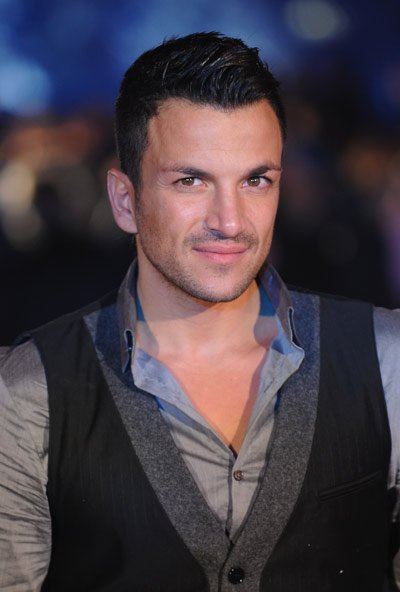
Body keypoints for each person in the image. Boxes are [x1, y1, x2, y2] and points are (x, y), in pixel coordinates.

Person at [0, 32, 399, 592]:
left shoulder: (385, 359)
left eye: (255, 180)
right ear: (125, 201)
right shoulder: (28, 391)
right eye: (191, 181)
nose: (230, 221)